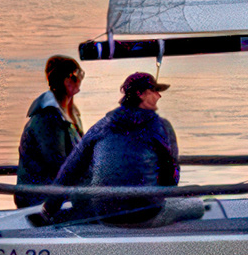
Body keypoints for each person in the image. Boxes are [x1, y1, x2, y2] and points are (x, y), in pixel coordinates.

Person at [78, 69, 183, 229]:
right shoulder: (161, 126)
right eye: (154, 91)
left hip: (104, 214)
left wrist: (49, 209)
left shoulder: (100, 126)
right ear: (140, 94)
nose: (158, 96)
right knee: (197, 205)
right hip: (145, 215)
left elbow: (70, 169)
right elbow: (171, 177)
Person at [14, 54, 89, 220]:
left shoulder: (70, 113)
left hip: (61, 194)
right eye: (77, 76)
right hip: (41, 200)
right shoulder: (48, 118)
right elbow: (59, 163)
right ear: (67, 81)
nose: (80, 81)